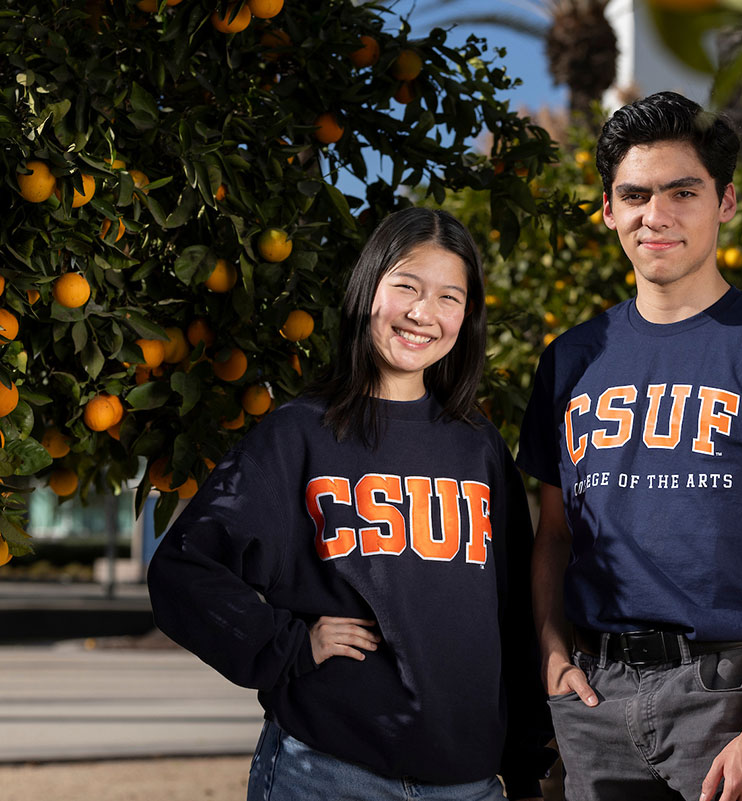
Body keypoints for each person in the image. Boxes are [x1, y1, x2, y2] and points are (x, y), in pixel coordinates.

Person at [148, 208, 549, 801]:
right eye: (407, 287)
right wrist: (285, 645)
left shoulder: (478, 445)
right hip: (331, 773)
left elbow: (511, 613)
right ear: (369, 290)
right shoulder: (298, 435)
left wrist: (524, 761)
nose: (423, 313)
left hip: (467, 781)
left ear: (468, 315)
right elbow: (183, 570)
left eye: (449, 297)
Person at [517, 91, 742, 801]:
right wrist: (550, 651)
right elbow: (552, 534)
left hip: (727, 701)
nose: (654, 215)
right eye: (634, 194)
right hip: (594, 697)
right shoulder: (570, 358)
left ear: (725, 202)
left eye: (681, 191)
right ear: (608, 208)